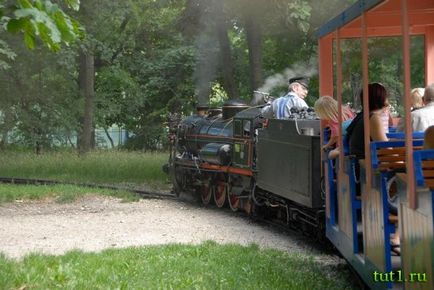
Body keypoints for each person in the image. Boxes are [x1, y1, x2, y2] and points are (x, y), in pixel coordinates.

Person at [347, 82, 389, 159]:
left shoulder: (361, 116)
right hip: (368, 166)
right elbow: (385, 148)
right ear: (382, 99)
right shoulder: (373, 118)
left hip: (359, 164)